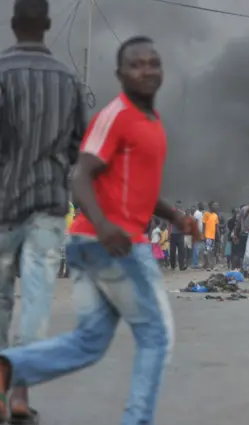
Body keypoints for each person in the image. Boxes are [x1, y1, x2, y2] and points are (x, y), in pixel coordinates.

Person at [0, 35, 201, 425]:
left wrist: (176, 217)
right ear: (120, 74)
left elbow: (138, 190)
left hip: (99, 243)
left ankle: (8, 368)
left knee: (89, 342)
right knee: (157, 338)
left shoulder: (151, 121)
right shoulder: (117, 115)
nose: (146, 71)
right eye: (136, 64)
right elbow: (81, 176)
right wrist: (106, 226)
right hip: (111, 243)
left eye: (153, 63)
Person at [0, 1, 88, 421]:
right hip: (49, 210)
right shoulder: (69, 80)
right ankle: (19, 395)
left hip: (2, 206)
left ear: (14, 24)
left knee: (0, 301)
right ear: (48, 25)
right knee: (35, 302)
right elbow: (78, 149)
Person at [169, 200, 186, 270]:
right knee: (172, 251)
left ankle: (181, 266)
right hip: (173, 234)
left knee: (181, 250)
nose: (178, 206)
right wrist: (168, 233)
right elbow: (169, 223)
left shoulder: (183, 213)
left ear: (181, 206)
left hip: (180, 234)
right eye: (177, 205)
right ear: (175, 205)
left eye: (179, 205)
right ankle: (173, 266)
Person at [202, 201, 219, 269]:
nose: (216, 207)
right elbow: (204, 225)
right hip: (207, 235)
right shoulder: (206, 214)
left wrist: (218, 235)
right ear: (210, 206)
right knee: (207, 250)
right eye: (214, 205)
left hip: (213, 236)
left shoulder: (215, 215)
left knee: (211, 251)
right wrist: (203, 235)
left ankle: (208, 265)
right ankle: (207, 265)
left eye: (217, 205)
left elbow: (216, 226)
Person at [191, 202, 205, 268]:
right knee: (196, 248)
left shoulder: (202, 213)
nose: (203, 206)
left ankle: (197, 263)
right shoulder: (197, 213)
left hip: (201, 233)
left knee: (200, 248)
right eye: (202, 205)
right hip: (197, 233)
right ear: (199, 206)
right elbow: (195, 223)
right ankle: (194, 263)